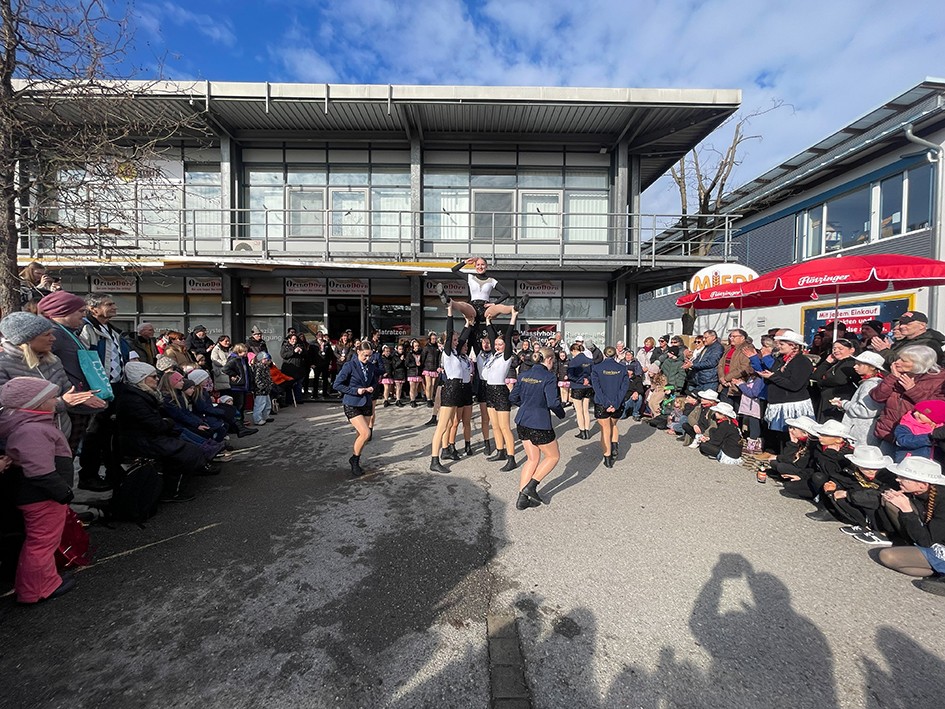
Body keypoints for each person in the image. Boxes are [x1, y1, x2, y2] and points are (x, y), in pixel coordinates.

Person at [0, 377, 78, 604]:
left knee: (41, 541)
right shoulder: (32, 431)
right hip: (43, 497)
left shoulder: (30, 425)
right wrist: (63, 492)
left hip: (40, 495)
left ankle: (38, 582)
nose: (56, 401)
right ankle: (37, 589)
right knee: (42, 543)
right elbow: (40, 471)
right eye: (52, 398)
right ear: (36, 403)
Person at [115, 362, 215, 501]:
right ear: (142, 379)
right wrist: (168, 423)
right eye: (153, 377)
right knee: (187, 451)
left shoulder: (140, 395)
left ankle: (176, 485)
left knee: (187, 446)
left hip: (148, 437)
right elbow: (154, 424)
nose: (157, 379)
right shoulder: (134, 399)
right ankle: (173, 491)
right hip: (142, 441)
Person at [0, 311, 106, 442]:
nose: (53, 338)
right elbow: (7, 408)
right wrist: (62, 403)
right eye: (47, 335)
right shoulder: (3, 364)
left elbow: (67, 390)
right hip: (25, 440)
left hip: (61, 434)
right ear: (26, 340)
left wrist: (80, 397)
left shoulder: (53, 360)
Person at [36, 291, 108, 469]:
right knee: (64, 454)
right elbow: (38, 368)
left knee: (71, 451)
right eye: (80, 312)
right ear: (62, 311)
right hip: (68, 405)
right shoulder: (55, 334)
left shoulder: (68, 333)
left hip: (76, 402)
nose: (84, 316)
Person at [509, 347, 566, 510]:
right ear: (548, 359)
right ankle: (531, 486)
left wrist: (527, 405)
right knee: (553, 456)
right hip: (539, 423)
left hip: (522, 421)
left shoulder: (523, 375)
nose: (553, 364)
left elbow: (513, 397)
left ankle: (522, 499)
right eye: (553, 361)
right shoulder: (549, 377)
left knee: (532, 459)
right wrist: (561, 414)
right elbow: (553, 402)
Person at [870, 345, 945, 455]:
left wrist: (912, 390)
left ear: (919, 363)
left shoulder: (939, 380)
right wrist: (892, 377)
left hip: (916, 438)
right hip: (888, 431)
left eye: (903, 360)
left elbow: (938, 409)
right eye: (898, 358)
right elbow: (877, 396)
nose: (897, 362)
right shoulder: (900, 374)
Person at [428, 304, 474, 473]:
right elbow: (449, 331)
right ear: (448, 341)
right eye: (454, 340)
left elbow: (464, 336)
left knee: (449, 424)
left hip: (458, 389)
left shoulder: (455, 352)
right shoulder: (447, 352)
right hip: (450, 389)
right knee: (442, 426)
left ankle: (446, 449)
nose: (457, 342)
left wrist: (468, 323)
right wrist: (449, 310)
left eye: (456, 340)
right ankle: (434, 460)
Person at [873, 458, 945, 565]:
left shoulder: (942, 502)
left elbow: (928, 542)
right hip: (922, 541)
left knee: (888, 556)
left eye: (903, 478)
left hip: (938, 549)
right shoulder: (914, 491)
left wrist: (907, 510)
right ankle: (899, 539)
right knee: (891, 500)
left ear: (923, 485)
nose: (898, 479)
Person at [757, 330, 815, 448]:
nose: (778, 346)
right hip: (778, 402)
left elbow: (795, 385)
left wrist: (772, 377)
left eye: (782, 344)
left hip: (792, 403)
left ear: (793, 346)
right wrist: (768, 376)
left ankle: (791, 454)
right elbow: (775, 374)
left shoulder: (802, 361)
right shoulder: (781, 359)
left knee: (790, 433)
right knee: (778, 433)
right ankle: (777, 452)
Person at [332, 341, 381, 477]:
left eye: (370, 356)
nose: (367, 358)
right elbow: (336, 385)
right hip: (352, 403)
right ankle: (354, 460)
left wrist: (372, 387)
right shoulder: (349, 366)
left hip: (366, 402)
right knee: (366, 433)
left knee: (361, 435)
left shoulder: (371, 366)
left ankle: (356, 458)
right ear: (358, 352)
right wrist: (355, 390)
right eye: (365, 355)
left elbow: (374, 381)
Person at [434, 257, 529, 325]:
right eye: (478, 265)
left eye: (482, 264)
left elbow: (506, 294)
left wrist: (494, 303)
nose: (480, 267)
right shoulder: (470, 277)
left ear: (486, 266)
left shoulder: (492, 280)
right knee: (462, 305)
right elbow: (454, 270)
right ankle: (447, 300)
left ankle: (516, 307)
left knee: (499, 307)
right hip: (473, 307)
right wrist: (465, 262)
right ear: (475, 266)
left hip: (485, 308)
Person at [481, 311, 520, 466]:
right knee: (495, 426)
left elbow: (508, 334)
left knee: (505, 427)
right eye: (496, 344)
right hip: (489, 390)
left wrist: (513, 317)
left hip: (500, 392)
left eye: (500, 344)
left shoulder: (506, 356)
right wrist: (487, 321)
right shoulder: (494, 355)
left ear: (506, 345)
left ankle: (511, 458)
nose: (497, 346)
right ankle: (500, 451)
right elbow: (491, 336)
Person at [834, 351, 885, 447]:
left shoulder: (870, 384)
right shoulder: (872, 382)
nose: (855, 367)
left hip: (862, 433)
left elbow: (866, 410)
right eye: (855, 364)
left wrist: (844, 404)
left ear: (872, 367)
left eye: (859, 364)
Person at [590, 346, 629, 467]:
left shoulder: (597, 368)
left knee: (605, 430)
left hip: (602, 403)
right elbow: (624, 388)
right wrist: (616, 403)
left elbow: (597, 388)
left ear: (604, 354)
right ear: (615, 354)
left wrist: (606, 403)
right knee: (613, 425)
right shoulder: (622, 368)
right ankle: (614, 445)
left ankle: (607, 457)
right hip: (617, 402)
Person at [810, 337, 859, 421]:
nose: (836, 351)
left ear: (851, 350)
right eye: (834, 348)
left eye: (840, 348)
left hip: (838, 400)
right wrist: (827, 362)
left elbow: (839, 379)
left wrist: (821, 382)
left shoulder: (850, 363)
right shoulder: (836, 363)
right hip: (828, 401)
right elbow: (815, 376)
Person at [872, 311, 945, 366]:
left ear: (922, 326)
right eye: (901, 323)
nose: (901, 326)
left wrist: (883, 350)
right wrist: (889, 349)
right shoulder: (904, 341)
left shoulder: (928, 343)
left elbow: (905, 364)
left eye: (907, 324)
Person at [717, 329, 753, 406]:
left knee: (735, 409)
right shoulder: (728, 348)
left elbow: (745, 368)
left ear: (742, 338)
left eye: (734, 336)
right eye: (730, 336)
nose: (731, 338)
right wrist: (722, 378)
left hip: (736, 386)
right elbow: (720, 364)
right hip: (724, 385)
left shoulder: (747, 349)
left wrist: (727, 378)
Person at [567, 343, 595, 439]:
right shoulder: (589, 360)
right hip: (588, 386)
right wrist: (587, 380)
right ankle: (587, 431)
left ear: (574, 351)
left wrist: (581, 380)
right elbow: (593, 373)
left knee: (579, 411)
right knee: (586, 410)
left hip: (577, 386)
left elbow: (570, 375)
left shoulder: (573, 361)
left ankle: (582, 431)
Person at [682, 329, 723, 394]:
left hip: (709, 380)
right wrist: (690, 363)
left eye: (706, 338)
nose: (704, 340)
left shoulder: (717, 348)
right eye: (703, 338)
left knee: (706, 398)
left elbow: (711, 363)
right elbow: (699, 359)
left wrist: (693, 365)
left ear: (713, 337)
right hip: (700, 379)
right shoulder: (706, 347)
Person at [280, 333, 307, 404]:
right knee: (289, 386)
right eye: (293, 339)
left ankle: (298, 399)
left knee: (298, 385)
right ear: (289, 340)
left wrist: (301, 351)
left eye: (295, 339)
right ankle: (289, 400)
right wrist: (293, 352)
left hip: (298, 369)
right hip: (289, 369)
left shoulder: (299, 345)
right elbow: (283, 355)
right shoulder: (285, 346)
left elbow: (306, 354)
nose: (294, 341)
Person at [250, 351, 275, 426]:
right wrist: (261, 386)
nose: (268, 361)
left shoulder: (266, 367)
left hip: (266, 389)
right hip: (260, 390)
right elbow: (257, 379)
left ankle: (265, 416)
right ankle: (257, 419)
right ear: (262, 359)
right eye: (267, 360)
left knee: (267, 403)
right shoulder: (258, 367)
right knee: (260, 404)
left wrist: (270, 384)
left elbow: (268, 377)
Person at [311, 331, 336, 398]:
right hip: (316, 364)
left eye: (321, 335)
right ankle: (315, 394)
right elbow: (310, 355)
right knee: (316, 379)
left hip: (325, 364)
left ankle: (325, 393)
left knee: (325, 379)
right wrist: (312, 364)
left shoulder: (327, 343)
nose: (320, 336)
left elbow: (330, 354)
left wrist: (330, 363)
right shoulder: (313, 344)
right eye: (319, 335)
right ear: (316, 336)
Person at [421, 332, 441, 407]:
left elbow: (438, 358)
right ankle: (428, 399)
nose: (434, 340)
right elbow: (423, 358)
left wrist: (438, 366)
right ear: (430, 339)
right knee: (428, 384)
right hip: (427, 368)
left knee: (433, 385)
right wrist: (422, 366)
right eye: (432, 339)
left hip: (434, 368)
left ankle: (431, 398)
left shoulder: (437, 348)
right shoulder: (426, 347)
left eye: (435, 339)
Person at [406, 339, 424, 407]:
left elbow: (422, 362)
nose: (417, 347)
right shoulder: (410, 354)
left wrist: (420, 364)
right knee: (412, 387)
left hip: (418, 373)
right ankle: (412, 400)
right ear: (413, 347)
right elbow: (406, 363)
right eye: (416, 346)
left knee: (416, 388)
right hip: (412, 372)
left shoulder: (420, 353)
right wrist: (415, 364)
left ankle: (414, 399)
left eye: (418, 346)